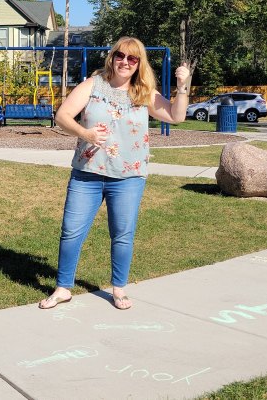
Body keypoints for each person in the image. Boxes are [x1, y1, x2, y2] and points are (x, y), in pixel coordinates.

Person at [39, 36, 190, 310]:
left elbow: (176, 116)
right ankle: (63, 288)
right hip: (87, 173)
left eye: (132, 59)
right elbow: (62, 116)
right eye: (120, 56)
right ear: (112, 57)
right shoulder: (93, 85)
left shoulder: (144, 92)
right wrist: (84, 133)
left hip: (128, 177)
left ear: (138, 64)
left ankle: (118, 289)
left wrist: (182, 87)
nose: (125, 62)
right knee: (71, 231)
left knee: (122, 234)